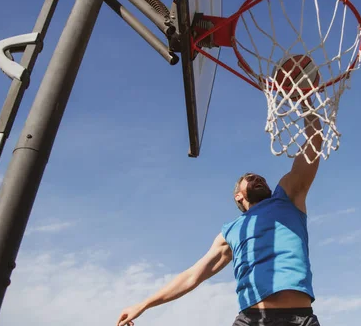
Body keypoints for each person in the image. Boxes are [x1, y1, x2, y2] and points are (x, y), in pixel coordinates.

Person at [116, 108, 323, 326]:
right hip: (252, 319)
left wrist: (305, 101)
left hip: (300, 317)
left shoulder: (287, 198)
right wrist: (143, 304)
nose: (258, 178)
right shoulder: (231, 231)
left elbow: (313, 145)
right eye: (250, 178)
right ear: (238, 195)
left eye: (260, 178)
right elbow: (193, 275)